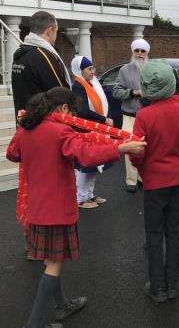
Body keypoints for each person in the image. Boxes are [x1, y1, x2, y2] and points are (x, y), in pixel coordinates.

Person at [6, 87, 145, 328]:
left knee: (49, 260)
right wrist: (121, 148)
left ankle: (62, 304)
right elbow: (86, 156)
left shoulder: (26, 129)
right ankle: (35, 324)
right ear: (63, 109)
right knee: (54, 264)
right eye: (71, 109)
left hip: (36, 206)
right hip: (57, 208)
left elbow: (12, 154)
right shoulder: (61, 131)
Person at [130, 60, 179, 304]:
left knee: (153, 233)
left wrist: (143, 169)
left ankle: (157, 287)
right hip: (176, 177)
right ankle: (172, 284)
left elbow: (136, 152)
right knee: (173, 232)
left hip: (153, 180)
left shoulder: (144, 115)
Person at [71, 56, 113, 209]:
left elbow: (103, 103)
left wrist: (105, 118)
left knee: (94, 163)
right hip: (85, 130)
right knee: (84, 165)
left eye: (93, 68)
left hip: (95, 130)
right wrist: (103, 120)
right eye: (89, 69)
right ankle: (80, 198)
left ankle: (89, 194)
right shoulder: (77, 86)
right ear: (79, 71)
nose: (93, 72)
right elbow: (82, 111)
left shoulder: (92, 83)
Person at [11, 11, 71, 117]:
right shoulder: (43, 56)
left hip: (25, 119)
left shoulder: (21, 54)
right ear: (50, 31)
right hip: (42, 122)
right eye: (56, 31)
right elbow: (61, 93)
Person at [112, 38, 150, 193]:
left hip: (148, 115)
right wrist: (133, 93)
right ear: (133, 52)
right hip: (130, 115)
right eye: (137, 51)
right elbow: (116, 91)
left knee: (147, 147)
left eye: (143, 51)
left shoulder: (153, 68)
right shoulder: (124, 70)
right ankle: (131, 180)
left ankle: (143, 177)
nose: (140, 54)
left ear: (147, 53)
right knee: (129, 147)